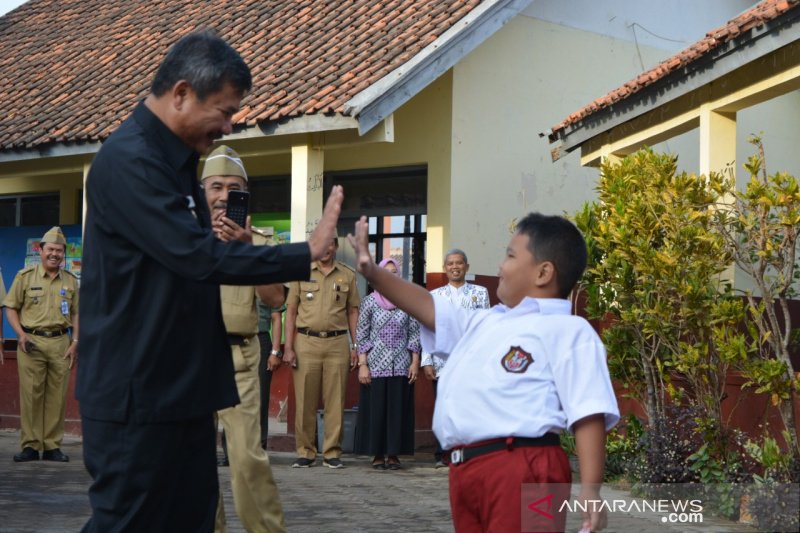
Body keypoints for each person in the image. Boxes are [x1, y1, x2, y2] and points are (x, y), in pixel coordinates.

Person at [77, 30, 343, 532]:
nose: (228, 124)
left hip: (184, 390)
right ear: (181, 94)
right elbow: (198, 258)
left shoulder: (178, 165)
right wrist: (303, 253)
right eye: (223, 111)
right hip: (137, 396)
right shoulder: (130, 161)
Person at [348, 213, 619, 533]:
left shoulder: (568, 330)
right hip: (467, 469)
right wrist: (372, 273)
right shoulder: (485, 321)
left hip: (525, 466)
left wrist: (590, 489)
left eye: (510, 255)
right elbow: (427, 307)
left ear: (544, 272)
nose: (501, 266)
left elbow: (588, 412)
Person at [200, 144, 286, 533]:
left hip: (240, 359)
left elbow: (276, 298)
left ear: (244, 195)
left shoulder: (258, 242)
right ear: (201, 190)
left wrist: (246, 250)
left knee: (248, 458)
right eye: (215, 186)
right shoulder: (182, 236)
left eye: (233, 187)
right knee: (194, 465)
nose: (222, 195)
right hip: (190, 360)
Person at [283, 236, 360, 469]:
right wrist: (288, 347)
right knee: (305, 399)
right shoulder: (301, 272)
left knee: (335, 400)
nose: (326, 248)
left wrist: (356, 346)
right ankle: (305, 452)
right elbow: (291, 311)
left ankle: (332, 452)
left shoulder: (347, 275)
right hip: (306, 342)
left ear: (335, 247)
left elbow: (353, 312)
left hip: (337, 344)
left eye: (330, 244)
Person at [3, 226, 79, 463]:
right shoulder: (24, 277)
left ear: (63, 253)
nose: (55, 254)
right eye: (51, 249)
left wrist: (76, 341)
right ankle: (31, 446)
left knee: (57, 397)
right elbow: (11, 308)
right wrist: (20, 334)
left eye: (59, 250)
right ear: (41, 250)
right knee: (31, 395)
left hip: (60, 343)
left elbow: (77, 313)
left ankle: (52, 446)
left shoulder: (71, 280)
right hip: (31, 342)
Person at [420, 249, 489, 467]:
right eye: (450, 263)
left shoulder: (480, 293)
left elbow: (485, 326)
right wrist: (427, 360)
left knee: (469, 406)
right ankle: (443, 454)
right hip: (443, 362)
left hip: (471, 360)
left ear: (466, 267)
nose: (455, 267)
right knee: (444, 407)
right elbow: (428, 329)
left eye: (459, 263)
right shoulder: (435, 295)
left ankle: (468, 453)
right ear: (444, 268)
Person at [354, 258, 420, 470]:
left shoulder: (407, 301)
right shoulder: (370, 302)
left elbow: (415, 333)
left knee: (397, 410)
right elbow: (361, 334)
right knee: (377, 411)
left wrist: (415, 362)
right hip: (375, 365)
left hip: (401, 364)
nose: (391, 276)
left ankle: (393, 454)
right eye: (386, 272)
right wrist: (363, 364)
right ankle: (377, 454)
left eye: (394, 272)